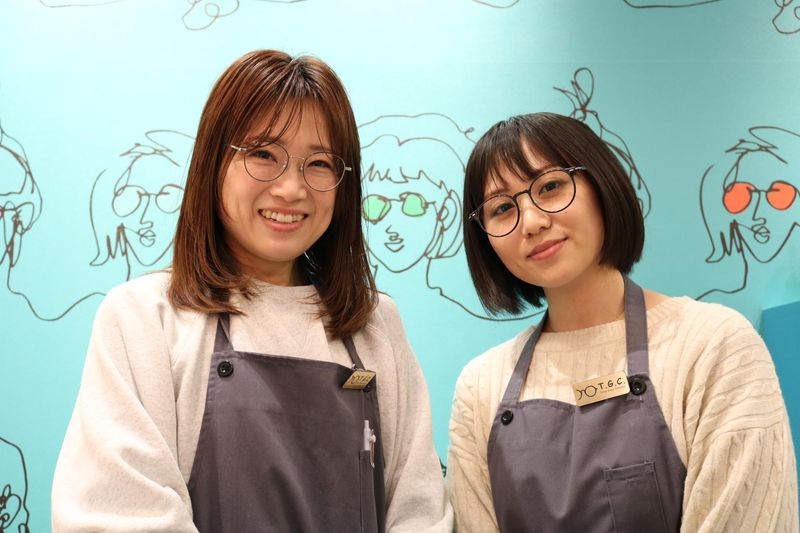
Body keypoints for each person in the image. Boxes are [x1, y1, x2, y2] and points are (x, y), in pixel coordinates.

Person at [52, 49, 452, 533]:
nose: (291, 189)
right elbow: (118, 515)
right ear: (213, 162)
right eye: (263, 154)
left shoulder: (375, 323)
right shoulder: (143, 317)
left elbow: (419, 511)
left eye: (319, 163)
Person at [446, 112, 798, 532]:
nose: (533, 222)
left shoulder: (714, 344)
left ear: (602, 184)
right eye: (502, 208)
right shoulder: (480, 386)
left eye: (551, 186)